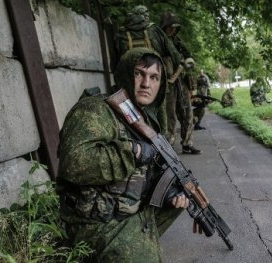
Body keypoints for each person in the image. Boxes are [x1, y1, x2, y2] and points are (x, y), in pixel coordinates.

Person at [57, 48, 189, 262]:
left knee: (177, 203)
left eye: (154, 77)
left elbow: (151, 170)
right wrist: (134, 152)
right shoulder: (95, 110)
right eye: (139, 74)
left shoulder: (147, 119)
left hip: (127, 208)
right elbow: (73, 162)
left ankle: (140, 241)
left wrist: (170, 191)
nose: (146, 84)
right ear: (127, 73)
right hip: (95, 222)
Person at [115, 5, 184, 136]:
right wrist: (170, 77)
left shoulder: (120, 33)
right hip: (154, 82)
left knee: (131, 119)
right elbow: (176, 57)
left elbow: (116, 64)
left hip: (128, 84)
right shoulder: (155, 30)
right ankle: (162, 144)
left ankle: (135, 145)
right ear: (146, 16)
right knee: (160, 116)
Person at [160, 11, 201, 154]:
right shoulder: (158, 41)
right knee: (169, 115)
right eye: (170, 27)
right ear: (164, 27)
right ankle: (168, 145)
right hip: (167, 84)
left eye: (175, 27)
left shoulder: (178, 42)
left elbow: (189, 59)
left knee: (187, 113)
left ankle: (187, 143)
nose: (172, 30)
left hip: (180, 82)